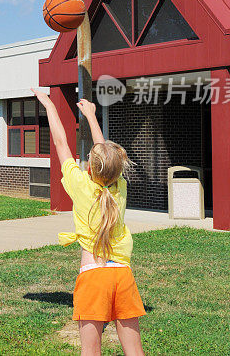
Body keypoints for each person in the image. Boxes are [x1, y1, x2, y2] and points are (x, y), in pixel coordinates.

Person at [32, 89, 145, 356]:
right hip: (122, 275)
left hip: (93, 276)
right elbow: (104, 156)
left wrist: (49, 105)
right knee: (135, 350)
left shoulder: (80, 185)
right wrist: (92, 116)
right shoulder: (119, 189)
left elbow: (61, 144)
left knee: (90, 351)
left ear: (91, 169)